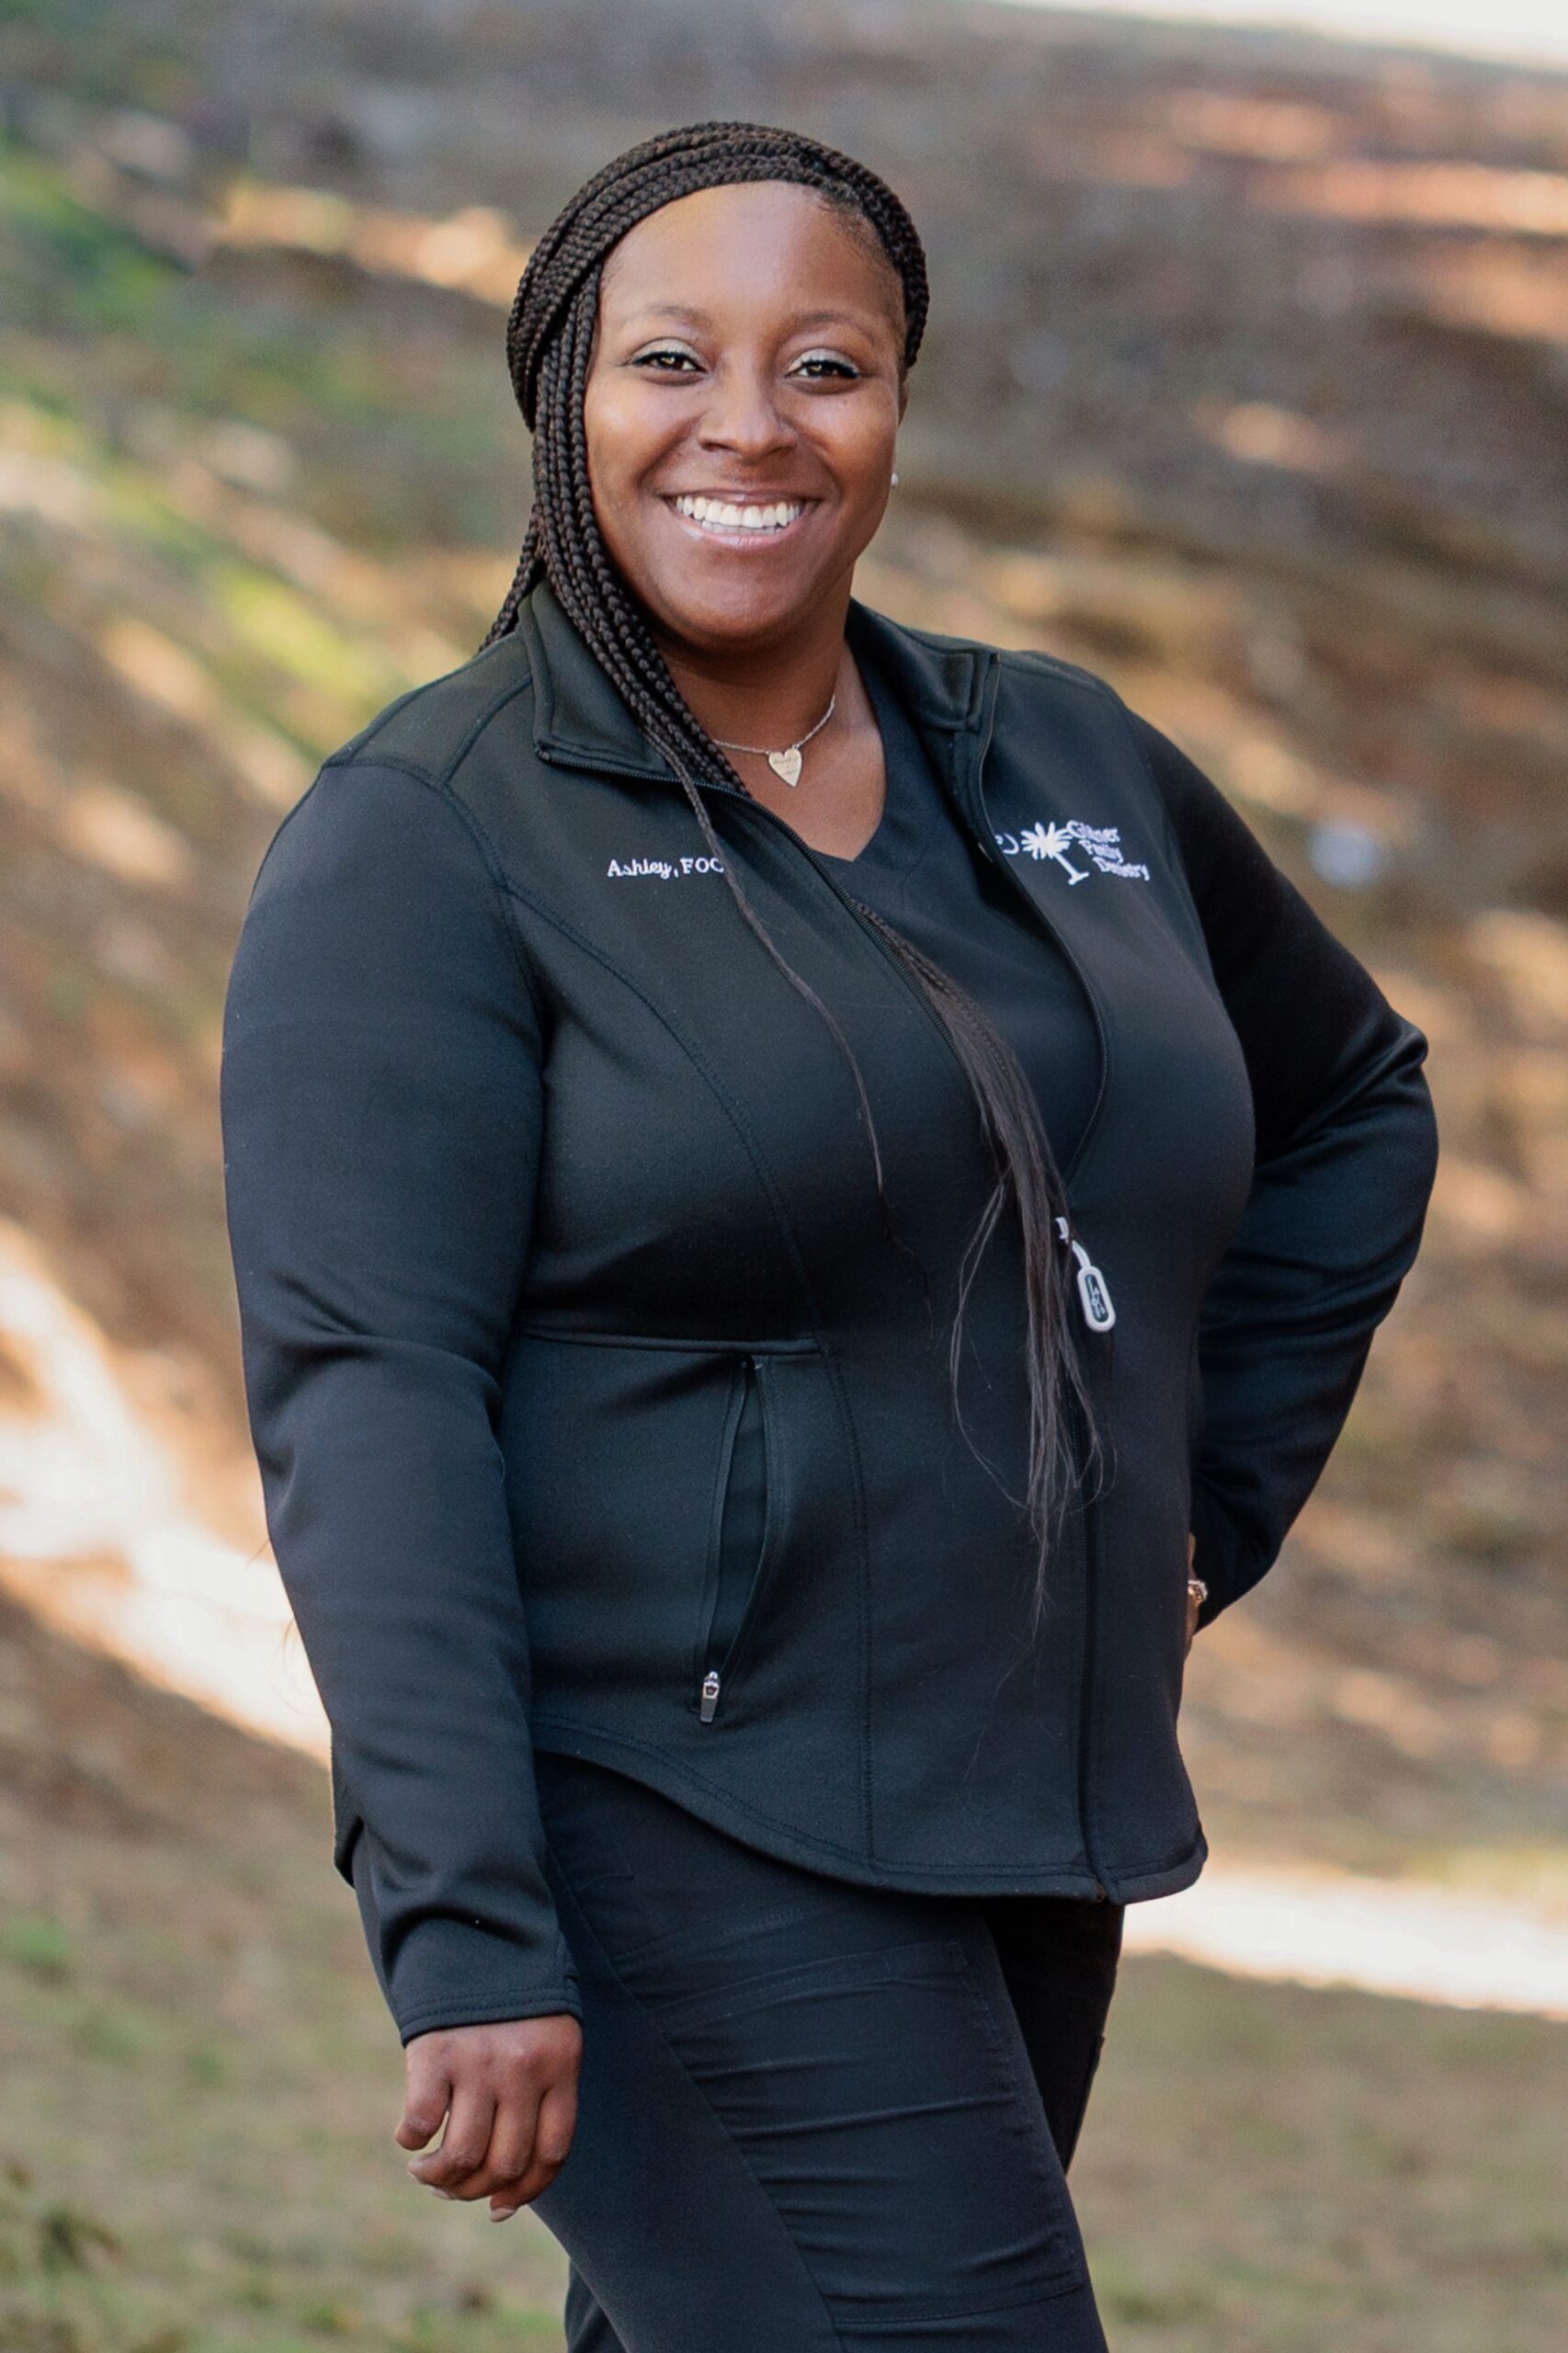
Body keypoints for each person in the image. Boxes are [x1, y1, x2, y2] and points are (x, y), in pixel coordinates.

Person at [219, 120, 1440, 2352]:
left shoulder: (1055, 753)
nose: (749, 426)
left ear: (895, 404)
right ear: (561, 395)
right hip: (674, 1813)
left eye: (827, 363)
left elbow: (1348, 1094)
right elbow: (363, 1394)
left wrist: (1202, 1500)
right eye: (669, 357)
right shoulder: (431, 839)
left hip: (1024, 1808)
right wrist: (468, 1920)